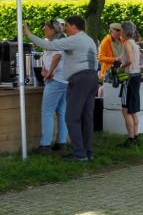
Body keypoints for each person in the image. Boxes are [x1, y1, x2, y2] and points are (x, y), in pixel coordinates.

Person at [24, 16, 99, 162]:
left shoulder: (75, 39)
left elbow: (49, 46)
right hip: (92, 79)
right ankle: (87, 151)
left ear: (73, 26)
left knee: (72, 117)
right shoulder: (88, 39)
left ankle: (79, 154)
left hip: (80, 80)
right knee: (87, 118)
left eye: (67, 26)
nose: (65, 29)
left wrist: (29, 34)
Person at [35, 19, 68, 154]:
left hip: (56, 80)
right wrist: (44, 69)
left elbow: (57, 57)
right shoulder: (53, 42)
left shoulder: (57, 42)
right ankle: (61, 142)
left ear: (53, 30)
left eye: (46, 28)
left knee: (47, 112)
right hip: (64, 80)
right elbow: (49, 58)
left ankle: (45, 145)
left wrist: (49, 72)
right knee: (61, 112)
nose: (44, 29)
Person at [117, 21, 142, 148]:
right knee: (133, 110)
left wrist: (121, 67)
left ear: (125, 31)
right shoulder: (134, 43)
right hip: (136, 77)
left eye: (120, 30)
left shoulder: (127, 43)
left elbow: (130, 60)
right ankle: (135, 137)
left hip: (129, 78)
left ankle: (131, 139)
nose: (119, 32)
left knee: (125, 110)